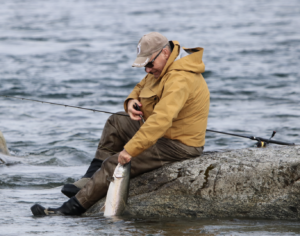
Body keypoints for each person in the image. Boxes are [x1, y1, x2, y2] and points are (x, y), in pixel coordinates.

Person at [31, 32, 210, 216]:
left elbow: (159, 121)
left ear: (164, 52)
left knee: (113, 163)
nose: (147, 69)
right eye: (144, 66)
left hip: (178, 146)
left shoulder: (180, 79)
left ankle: (70, 209)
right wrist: (132, 100)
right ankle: (89, 180)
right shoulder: (166, 67)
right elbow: (142, 86)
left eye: (149, 64)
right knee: (117, 121)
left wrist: (129, 151)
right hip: (162, 136)